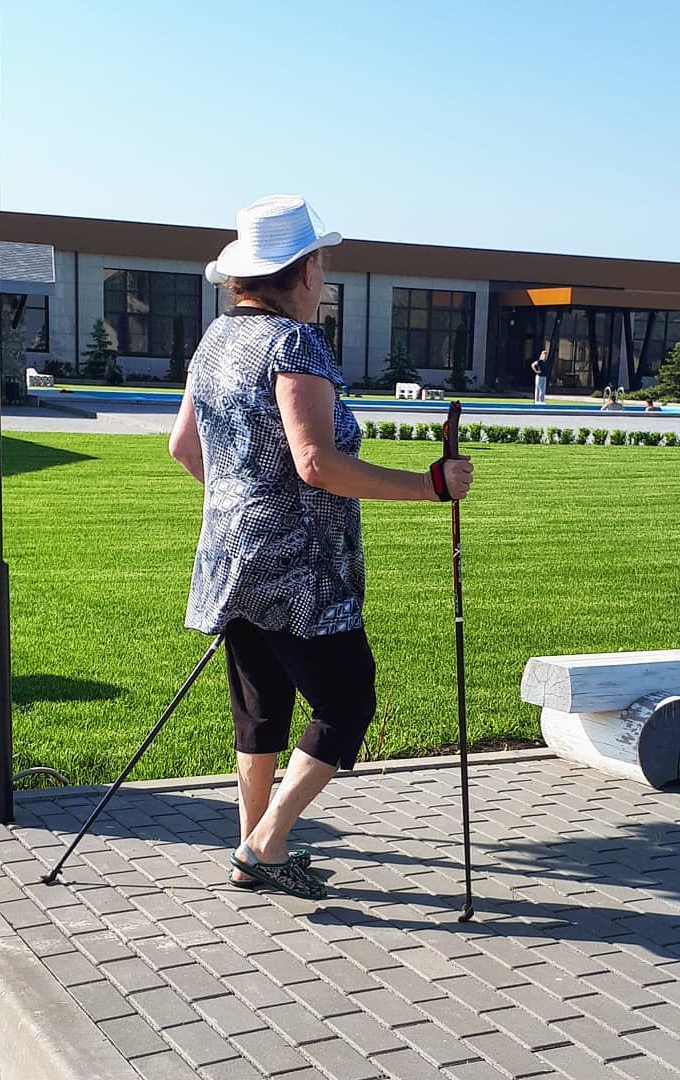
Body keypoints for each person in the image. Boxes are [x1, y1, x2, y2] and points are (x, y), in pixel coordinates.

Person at [169, 195, 474, 901]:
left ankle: (252, 850)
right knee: (347, 700)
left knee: (261, 707)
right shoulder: (294, 344)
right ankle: (267, 844)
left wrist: (242, 502)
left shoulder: (216, 339)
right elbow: (316, 463)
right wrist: (430, 485)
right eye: (322, 266)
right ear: (304, 270)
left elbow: (184, 446)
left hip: (229, 560)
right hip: (300, 569)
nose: (324, 278)